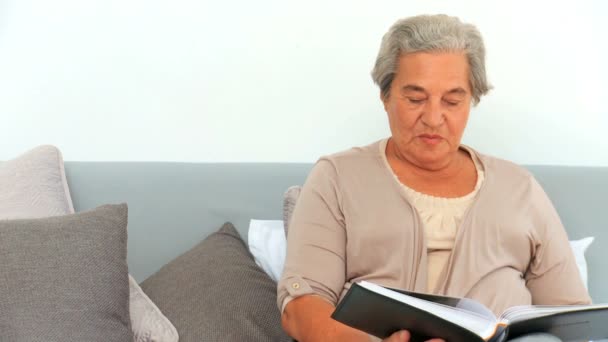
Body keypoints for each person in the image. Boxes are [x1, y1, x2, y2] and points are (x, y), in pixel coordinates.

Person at [277, 14, 591, 342]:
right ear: (385, 97)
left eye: (452, 101)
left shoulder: (520, 188)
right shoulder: (336, 178)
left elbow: (571, 319)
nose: (433, 118)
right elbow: (301, 308)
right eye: (415, 99)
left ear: (472, 100)